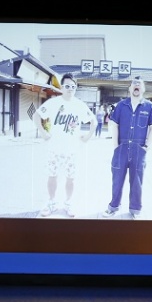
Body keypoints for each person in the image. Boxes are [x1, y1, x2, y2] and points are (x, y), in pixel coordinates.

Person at [33, 73, 97, 217]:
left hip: (72, 150)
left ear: (76, 88)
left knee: (71, 178)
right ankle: (51, 203)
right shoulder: (53, 103)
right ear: (62, 87)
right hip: (54, 148)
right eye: (67, 86)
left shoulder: (79, 105)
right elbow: (36, 116)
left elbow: (94, 121)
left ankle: (68, 203)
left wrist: (87, 137)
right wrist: (43, 133)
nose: (70, 89)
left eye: (73, 87)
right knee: (52, 176)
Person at [103, 77, 152, 219]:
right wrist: (116, 146)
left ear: (143, 89)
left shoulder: (149, 107)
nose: (136, 86)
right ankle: (113, 207)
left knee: (137, 182)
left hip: (139, 150)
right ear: (129, 88)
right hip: (121, 148)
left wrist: (146, 146)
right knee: (117, 180)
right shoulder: (121, 105)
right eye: (134, 83)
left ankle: (135, 210)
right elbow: (114, 125)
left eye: (139, 84)